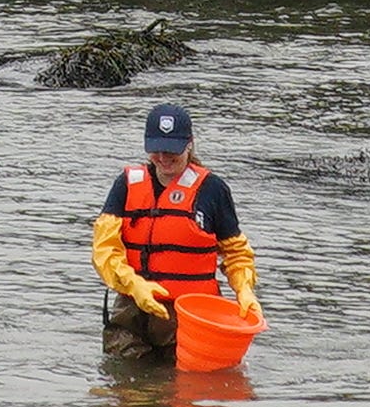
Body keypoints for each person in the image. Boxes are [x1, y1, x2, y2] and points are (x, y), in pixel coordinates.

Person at [93, 100, 257, 359]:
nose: (163, 158)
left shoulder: (213, 190)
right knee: (126, 391)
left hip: (190, 316)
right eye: (156, 150)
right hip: (131, 314)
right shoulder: (126, 185)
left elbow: (236, 253)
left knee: (183, 392)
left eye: (172, 150)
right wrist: (135, 285)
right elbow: (104, 250)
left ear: (189, 144)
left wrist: (244, 289)